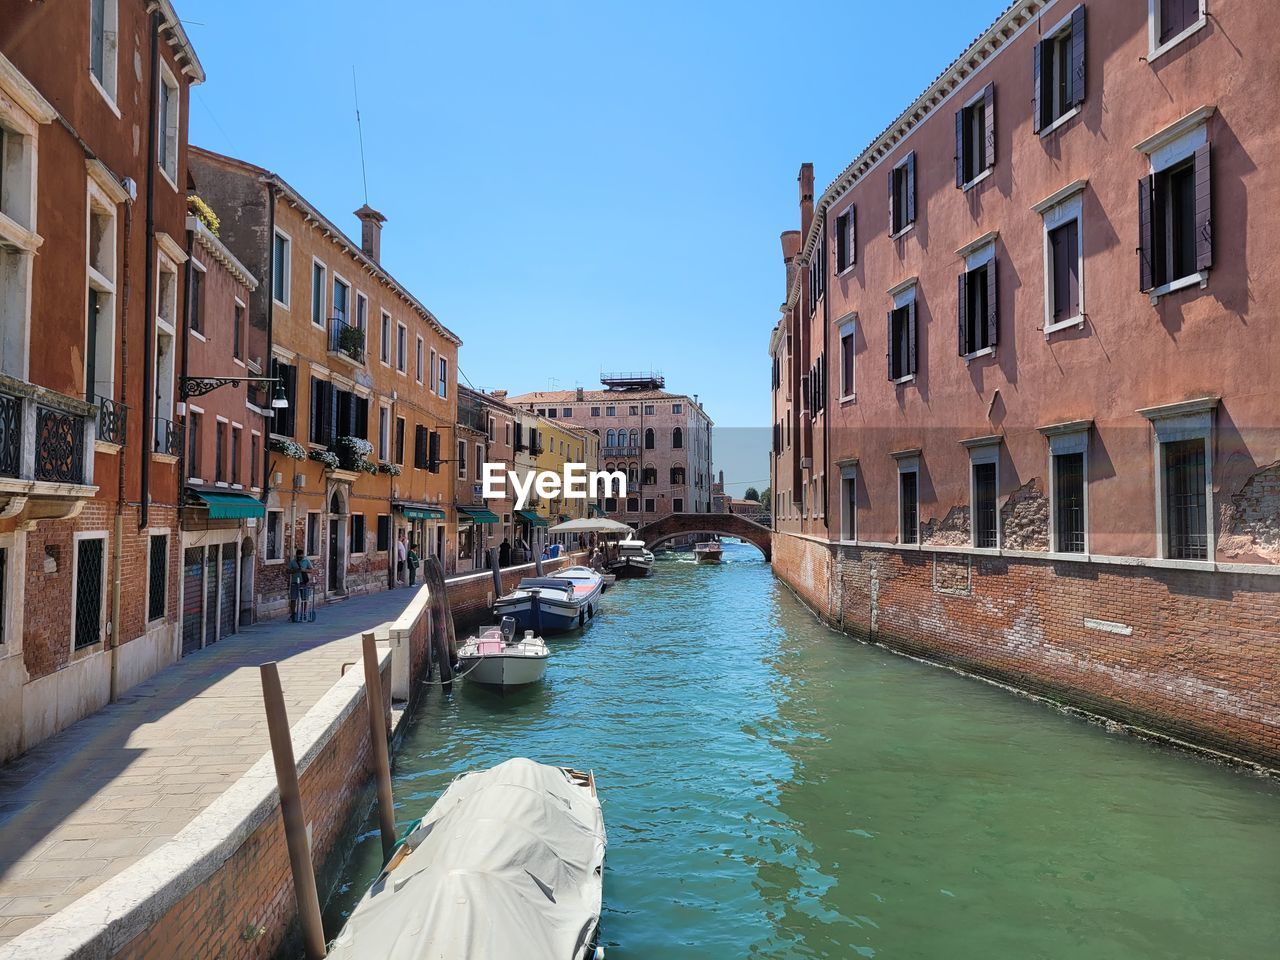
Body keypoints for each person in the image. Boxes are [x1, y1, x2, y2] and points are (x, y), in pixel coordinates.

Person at [287, 548, 312, 622]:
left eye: (301, 556)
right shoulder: (293, 562)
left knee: (304, 599)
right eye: (299, 557)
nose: (300, 558)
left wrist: (304, 570)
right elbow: (287, 571)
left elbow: (311, 570)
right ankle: (293, 614)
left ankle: (303, 613)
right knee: (293, 598)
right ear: (296, 556)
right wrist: (295, 570)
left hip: (304, 582)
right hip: (295, 582)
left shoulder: (306, 561)